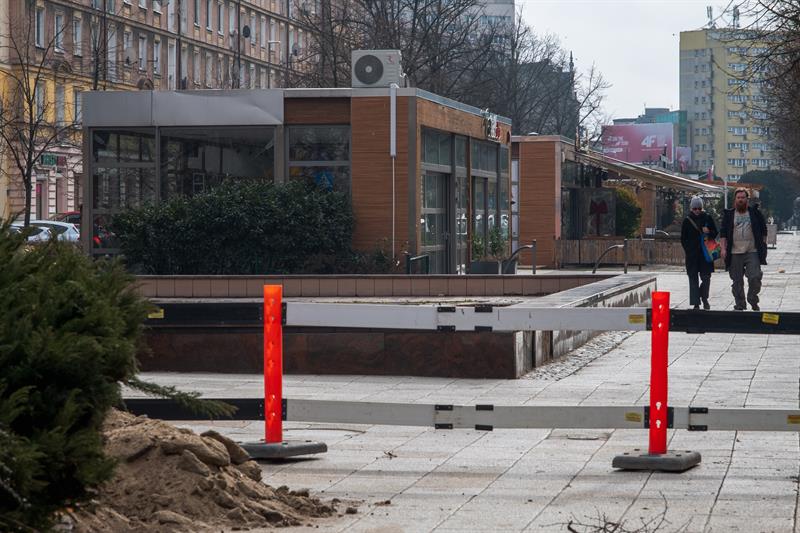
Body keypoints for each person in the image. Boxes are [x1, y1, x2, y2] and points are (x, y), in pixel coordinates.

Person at [719, 188, 768, 311]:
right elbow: (723, 233)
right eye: (738, 198)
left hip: (752, 251)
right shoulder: (729, 215)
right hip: (734, 252)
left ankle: (752, 298)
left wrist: (763, 245)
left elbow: (764, 230)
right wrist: (723, 249)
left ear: (747, 199)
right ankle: (740, 304)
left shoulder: (755, 213)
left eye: (743, 197)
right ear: (735, 200)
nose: (740, 200)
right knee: (737, 281)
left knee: (755, 277)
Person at [681, 196, 718, 310]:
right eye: (695, 208)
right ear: (691, 208)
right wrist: (688, 250)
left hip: (705, 254)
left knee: (706, 278)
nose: (697, 210)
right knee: (693, 279)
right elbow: (683, 238)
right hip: (692, 255)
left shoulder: (707, 218)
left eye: (699, 208)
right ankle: (696, 303)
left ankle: (704, 298)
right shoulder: (687, 220)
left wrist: (709, 232)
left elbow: (715, 232)